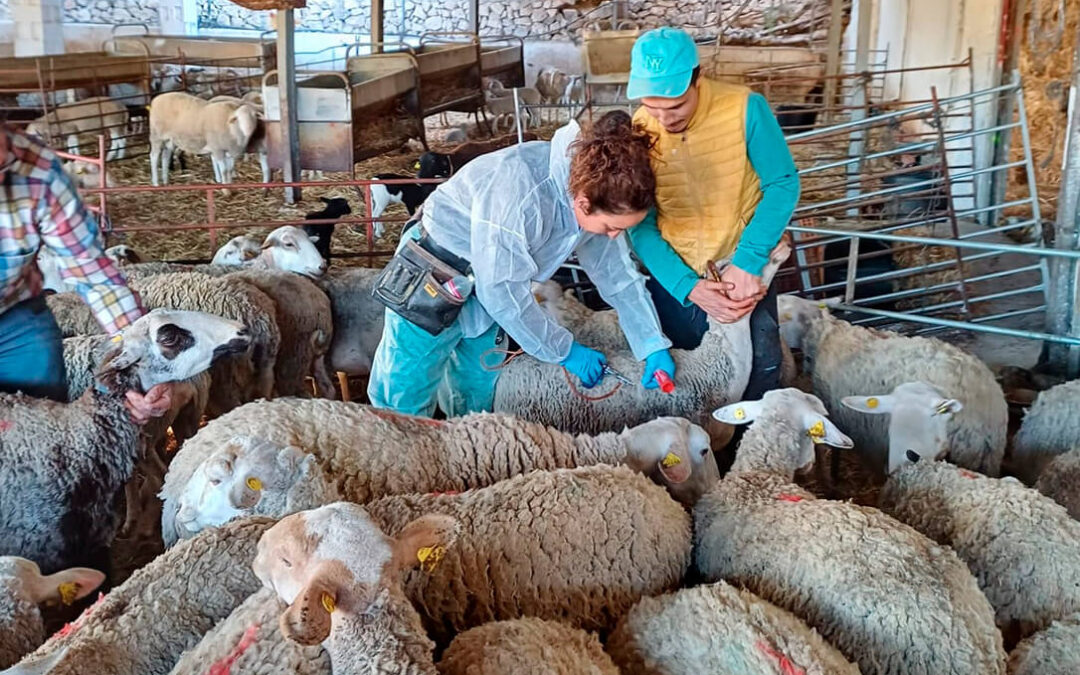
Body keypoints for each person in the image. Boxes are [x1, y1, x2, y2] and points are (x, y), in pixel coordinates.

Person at [368, 112, 675, 417]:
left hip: (490, 285)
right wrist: (564, 350)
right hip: (435, 270)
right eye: (612, 227)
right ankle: (397, 458)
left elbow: (618, 277)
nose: (614, 236)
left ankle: (465, 453)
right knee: (406, 387)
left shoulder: (593, 194)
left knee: (476, 384)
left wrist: (651, 343)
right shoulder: (522, 191)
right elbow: (501, 291)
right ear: (584, 203)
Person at [625, 27, 800, 400]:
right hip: (676, 274)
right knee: (685, 382)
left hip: (742, 271)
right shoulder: (639, 128)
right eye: (652, 106)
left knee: (760, 369)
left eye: (674, 106)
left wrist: (748, 261)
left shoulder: (744, 108)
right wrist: (687, 286)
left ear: (698, 78)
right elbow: (640, 223)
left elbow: (782, 184)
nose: (663, 118)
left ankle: (749, 454)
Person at [0, 124, 172, 422]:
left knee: (43, 430)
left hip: (15, 316)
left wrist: (145, 364)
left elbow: (96, 278)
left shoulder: (36, 168)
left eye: (3, 164)